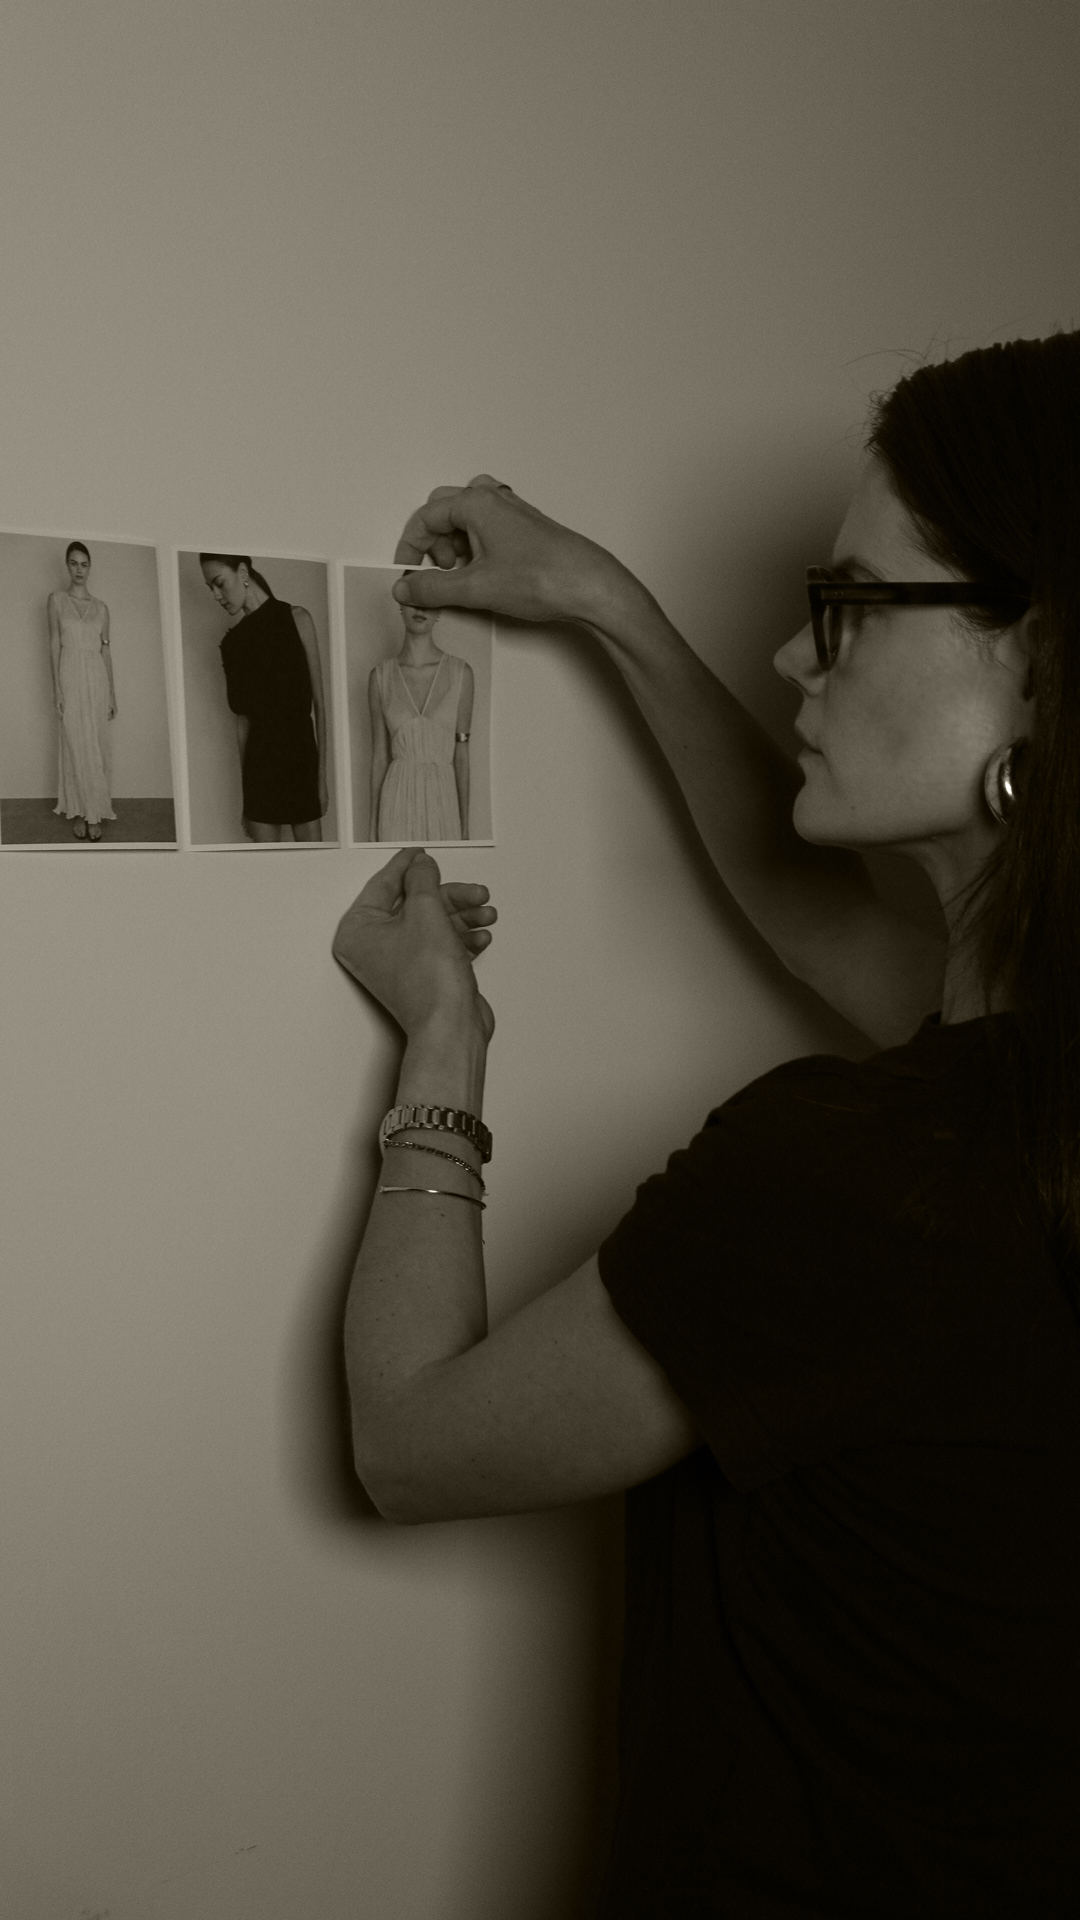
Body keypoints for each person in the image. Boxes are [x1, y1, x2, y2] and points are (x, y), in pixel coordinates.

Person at [331, 331, 1080, 1917]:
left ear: (1044, 660)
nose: (797, 657)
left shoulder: (870, 1178)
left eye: (854, 605)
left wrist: (444, 1047)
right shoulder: (1023, 1101)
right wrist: (605, 601)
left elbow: (409, 1441)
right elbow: (839, 928)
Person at [199, 553, 329, 842]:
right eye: (210, 588)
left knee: (313, 864)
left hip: (301, 764)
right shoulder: (232, 644)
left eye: (219, 583)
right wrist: (246, 798)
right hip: (259, 771)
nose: (216, 595)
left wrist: (321, 781)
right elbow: (242, 723)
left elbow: (320, 705)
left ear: (243, 572)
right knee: (266, 868)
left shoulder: (298, 619)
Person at [368, 590, 473, 841]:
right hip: (396, 802)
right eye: (412, 600)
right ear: (400, 605)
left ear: (439, 610)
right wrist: (372, 828)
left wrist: (465, 827)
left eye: (429, 601)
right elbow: (380, 756)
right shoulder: (380, 677)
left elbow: (462, 754)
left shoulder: (461, 673)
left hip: (443, 801)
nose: (420, 609)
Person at [49, 540, 117, 841]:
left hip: (96, 677)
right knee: (75, 745)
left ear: (90, 567)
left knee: (96, 746)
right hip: (69, 675)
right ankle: (78, 811)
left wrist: (112, 693)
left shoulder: (102, 608)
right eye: (74, 563)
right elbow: (54, 645)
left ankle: (95, 812)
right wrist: (57, 689)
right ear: (67, 565)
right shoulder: (56, 601)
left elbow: (106, 651)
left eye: (84, 564)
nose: (79, 569)